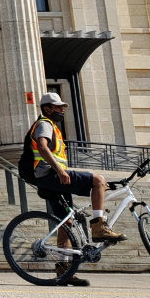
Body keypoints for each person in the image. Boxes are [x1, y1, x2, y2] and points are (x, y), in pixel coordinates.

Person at [29, 92, 126, 287]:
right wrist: (59, 169)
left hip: (49, 178)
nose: (62, 110)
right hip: (51, 175)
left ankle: (64, 270)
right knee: (98, 180)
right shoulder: (44, 124)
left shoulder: (53, 126)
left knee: (67, 223)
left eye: (62, 107)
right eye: (58, 107)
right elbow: (41, 146)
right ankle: (99, 227)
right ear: (48, 109)